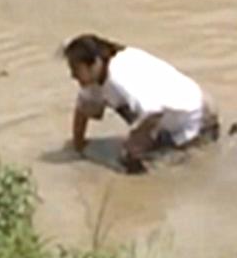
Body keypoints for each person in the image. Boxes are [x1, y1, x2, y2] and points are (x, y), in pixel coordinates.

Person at [62, 34, 219, 173]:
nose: (72, 75)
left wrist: (132, 149)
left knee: (150, 170)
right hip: (170, 116)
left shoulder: (120, 78)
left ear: (94, 63)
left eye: (75, 69)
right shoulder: (98, 74)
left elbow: (153, 112)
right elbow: (84, 107)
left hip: (196, 119)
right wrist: (78, 145)